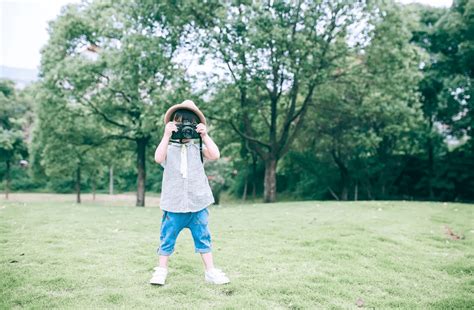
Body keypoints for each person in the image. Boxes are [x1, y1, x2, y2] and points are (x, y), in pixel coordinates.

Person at [150, 99, 230, 285]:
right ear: (172, 125)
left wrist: (205, 136)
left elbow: (216, 155)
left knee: (203, 237)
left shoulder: (198, 147)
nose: (185, 128)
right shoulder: (168, 148)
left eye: (190, 124)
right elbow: (157, 158)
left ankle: (210, 272)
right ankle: (161, 270)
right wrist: (165, 136)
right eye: (180, 123)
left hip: (197, 204)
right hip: (174, 205)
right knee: (167, 238)